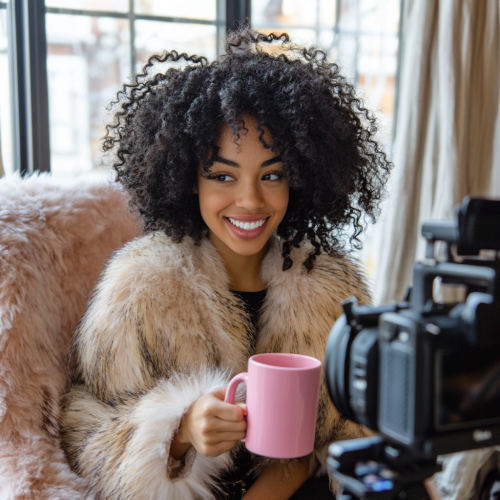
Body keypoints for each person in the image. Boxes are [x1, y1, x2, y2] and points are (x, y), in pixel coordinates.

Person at [59, 27, 391, 499]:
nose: (250, 201)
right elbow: (86, 433)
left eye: (271, 174)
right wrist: (177, 434)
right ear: (188, 179)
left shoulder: (331, 289)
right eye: (222, 176)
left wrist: (289, 473)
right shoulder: (140, 289)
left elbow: (352, 434)